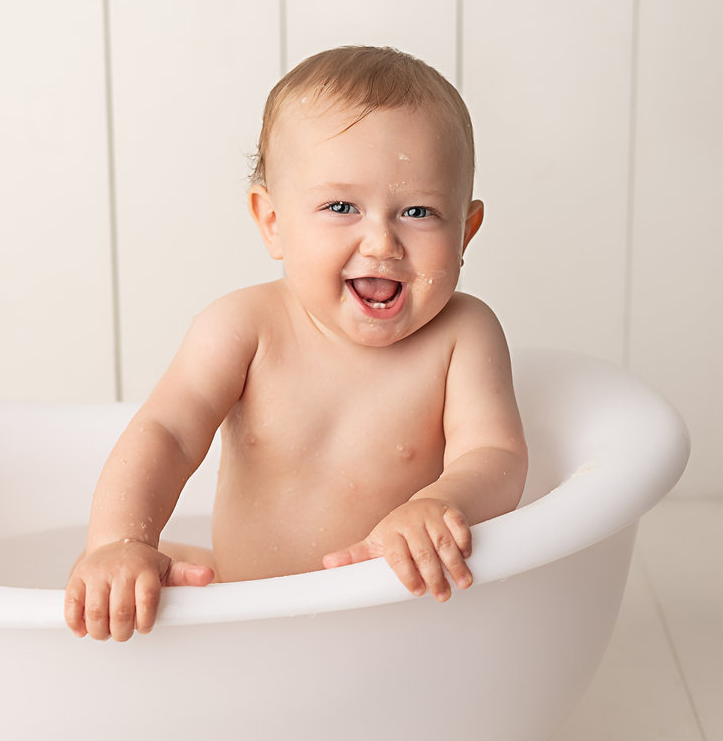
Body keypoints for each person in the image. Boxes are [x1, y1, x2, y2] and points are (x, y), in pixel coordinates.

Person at [64, 45, 528, 642]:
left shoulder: (463, 334)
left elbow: (495, 453)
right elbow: (168, 432)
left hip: (394, 621)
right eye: (341, 206)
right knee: (108, 587)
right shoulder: (245, 327)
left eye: (418, 211)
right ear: (273, 222)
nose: (381, 243)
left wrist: (442, 503)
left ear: (465, 231)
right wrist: (118, 540)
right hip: (246, 612)